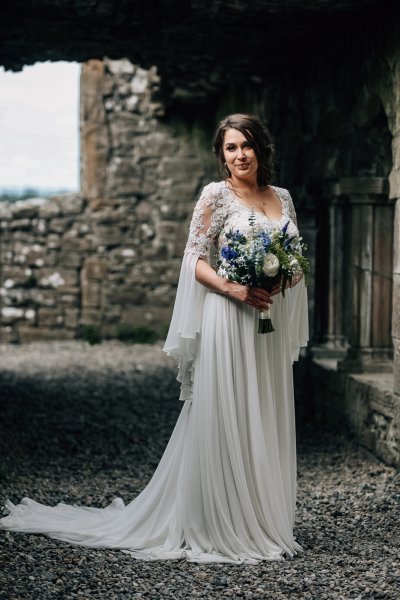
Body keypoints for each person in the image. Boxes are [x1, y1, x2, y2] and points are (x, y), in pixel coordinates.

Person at [0, 113, 309, 565]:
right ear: (222, 155)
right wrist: (234, 288)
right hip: (228, 316)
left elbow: (296, 261)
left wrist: (281, 281)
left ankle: (262, 517)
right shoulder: (215, 196)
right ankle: (221, 522)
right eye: (230, 148)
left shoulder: (281, 197)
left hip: (266, 319)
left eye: (246, 146)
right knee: (226, 412)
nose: (240, 155)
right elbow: (194, 260)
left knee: (262, 410)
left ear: (261, 149)